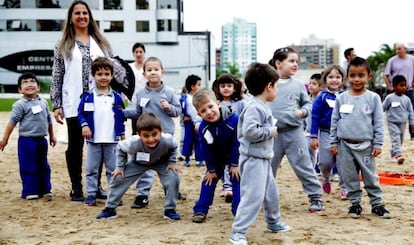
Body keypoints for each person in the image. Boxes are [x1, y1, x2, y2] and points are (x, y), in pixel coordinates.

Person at [50, 0, 111, 201]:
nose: (82, 16)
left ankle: (96, 185)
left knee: (98, 143)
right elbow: (57, 75)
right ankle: (76, 186)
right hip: (73, 101)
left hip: (99, 100)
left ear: (90, 17)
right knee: (75, 146)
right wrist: (56, 103)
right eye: (77, 13)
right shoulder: (63, 44)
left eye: (85, 13)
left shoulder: (101, 43)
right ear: (70, 18)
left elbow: (112, 71)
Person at [230, 63, 291, 245]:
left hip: (264, 158)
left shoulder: (261, 106)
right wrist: (270, 131)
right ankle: (238, 232)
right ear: (269, 86)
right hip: (253, 160)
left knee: (271, 193)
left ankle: (273, 222)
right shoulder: (254, 108)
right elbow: (250, 132)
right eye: (277, 86)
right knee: (253, 197)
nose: (277, 90)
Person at [330, 57, 391, 219]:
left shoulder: (373, 98)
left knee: (370, 176)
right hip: (344, 146)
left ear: (368, 77)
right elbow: (334, 121)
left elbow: (378, 122)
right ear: (347, 77)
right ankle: (355, 204)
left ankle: (377, 204)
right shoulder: (341, 98)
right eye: (352, 75)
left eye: (361, 75)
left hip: (366, 146)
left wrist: (378, 144)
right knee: (350, 177)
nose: (356, 79)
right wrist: (333, 142)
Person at [268, 47, 324, 212]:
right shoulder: (268, 84)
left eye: (296, 62)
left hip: (294, 132)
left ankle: (315, 197)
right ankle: (264, 198)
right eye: (291, 61)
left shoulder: (299, 84)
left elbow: (308, 103)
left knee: (304, 165)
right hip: (272, 133)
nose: (295, 65)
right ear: (279, 63)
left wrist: (302, 112)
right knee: (268, 167)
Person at [96, 113, 181, 220]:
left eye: (154, 134)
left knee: (173, 177)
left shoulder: (167, 140)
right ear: (139, 135)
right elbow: (120, 148)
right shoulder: (133, 143)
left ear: (161, 131)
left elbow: (174, 146)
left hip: (161, 162)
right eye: (146, 136)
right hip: (138, 162)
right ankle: (110, 209)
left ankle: (170, 210)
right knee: (118, 177)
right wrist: (120, 167)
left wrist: (172, 162)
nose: (151, 139)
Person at [123, 56, 182, 209]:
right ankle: (142, 195)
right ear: (144, 75)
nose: (153, 72)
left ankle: (171, 190)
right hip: (147, 138)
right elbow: (136, 112)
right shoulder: (141, 93)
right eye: (149, 70)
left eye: (156, 69)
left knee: (167, 165)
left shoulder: (169, 92)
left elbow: (178, 111)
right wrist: (122, 112)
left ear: (162, 73)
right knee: (144, 165)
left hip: (165, 135)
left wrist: (169, 107)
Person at [77, 57, 126, 206]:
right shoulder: (88, 96)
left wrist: (122, 133)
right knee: (91, 168)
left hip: (112, 140)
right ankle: (91, 193)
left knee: (113, 169)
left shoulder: (117, 97)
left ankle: (113, 194)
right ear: (93, 76)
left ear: (112, 76)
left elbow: (121, 116)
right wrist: (84, 125)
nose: (103, 77)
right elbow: (80, 113)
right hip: (94, 140)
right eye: (99, 74)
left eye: (106, 74)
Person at [0, 72, 56, 200]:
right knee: (29, 166)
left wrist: (52, 136)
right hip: (27, 141)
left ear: (38, 87)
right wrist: (4, 139)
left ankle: (45, 189)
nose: (29, 84)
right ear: (20, 89)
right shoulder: (19, 105)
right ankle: (30, 190)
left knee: (43, 165)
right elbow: (12, 122)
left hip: (42, 140)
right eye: (25, 82)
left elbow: (48, 120)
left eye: (32, 81)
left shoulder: (44, 103)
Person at [191, 88, 241, 223]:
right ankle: (200, 210)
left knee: (237, 178)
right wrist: (212, 170)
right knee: (208, 179)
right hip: (217, 157)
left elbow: (237, 142)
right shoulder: (203, 128)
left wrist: (235, 164)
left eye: (210, 106)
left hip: (234, 155)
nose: (209, 112)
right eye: (203, 111)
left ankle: (238, 210)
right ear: (199, 114)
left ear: (218, 103)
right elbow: (206, 150)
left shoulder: (234, 119)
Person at [309, 65, 348, 200]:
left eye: (338, 77)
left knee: (343, 162)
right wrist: (313, 136)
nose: (334, 80)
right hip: (325, 133)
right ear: (325, 80)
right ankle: (326, 178)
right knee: (325, 162)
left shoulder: (346, 96)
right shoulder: (321, 97)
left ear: (343, 80)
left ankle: (344, 187)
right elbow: (314, 117)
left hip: (343, 134)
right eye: (331, 77)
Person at [212, 74, 246, 202]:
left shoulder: (240, 103)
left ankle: (236, 187)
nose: (226, 88)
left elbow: (245, 118)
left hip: (238, 139)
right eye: (223, 86)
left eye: (229, 86)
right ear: (218, 88)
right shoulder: (216, 103)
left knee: (237, 163)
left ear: (235, 87)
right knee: (225, 164)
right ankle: (227, 187)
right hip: (221, 139)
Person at [383, 42, 414, 140]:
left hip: (408, 89)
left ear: (405, 49)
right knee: (396, 110)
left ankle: (412, 133)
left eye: (399, 49)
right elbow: (385, 75)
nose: (397, 51)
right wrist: (389, 87)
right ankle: (395, 131)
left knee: (411, 110)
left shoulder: (412, 59)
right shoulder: (392, 60)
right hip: (395, 90)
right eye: (396, 49)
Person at [382, 75, 414, 164]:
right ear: (395, 86)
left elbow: (411, 112)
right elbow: (383, 107)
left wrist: (412, 123)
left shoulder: (407, 99)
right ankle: (398, 155)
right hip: (392, 122)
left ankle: (393, 153)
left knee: (400, 140)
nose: (404, 87)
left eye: (405, 85)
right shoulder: (390, 98)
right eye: (401, 85)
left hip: (403, 123)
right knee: (395, 137)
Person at [180, 74, 203, 167]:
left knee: (199, 140)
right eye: (198, 84)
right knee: (188, 140)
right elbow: (181, 108)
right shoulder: (185, 98)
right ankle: (187, 158)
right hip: (189, 122)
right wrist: (184, 116)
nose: (200, 87)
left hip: (199, 121)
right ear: (192, 87)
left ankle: (199, 158)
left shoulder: (200, 97)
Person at [305, 73, 323, 176]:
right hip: (308, 131)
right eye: (310, 83)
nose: (311, 86)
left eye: (314, 84)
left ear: (321, 87)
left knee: (322, 153)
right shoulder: (307, 100)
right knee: (308, 152)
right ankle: (311, 171)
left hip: (320, 132)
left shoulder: (322, 100)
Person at [129, 42, 147, 135]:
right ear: (133, 54)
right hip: (134, 101)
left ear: (144, 53)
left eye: (140, 51)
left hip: (147, 100)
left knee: (146, 125)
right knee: (135, 128)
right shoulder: (130, 67)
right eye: (136, 52)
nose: (138, 54)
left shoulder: (148, 66)